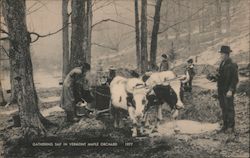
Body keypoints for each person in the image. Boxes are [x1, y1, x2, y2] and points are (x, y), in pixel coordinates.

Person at [207, 45, 239, 134]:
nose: (221, 55)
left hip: (228, 91)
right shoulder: (222, 63)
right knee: (223, 108)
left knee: (229, 108)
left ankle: (231, 127)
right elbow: (220, 77)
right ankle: (225, 126)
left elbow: (235, 79)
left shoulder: (232, 65)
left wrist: (231, 90)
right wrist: (213, 78)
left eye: (222, 54)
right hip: (221, 90)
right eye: (221, 53)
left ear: (227, 54)